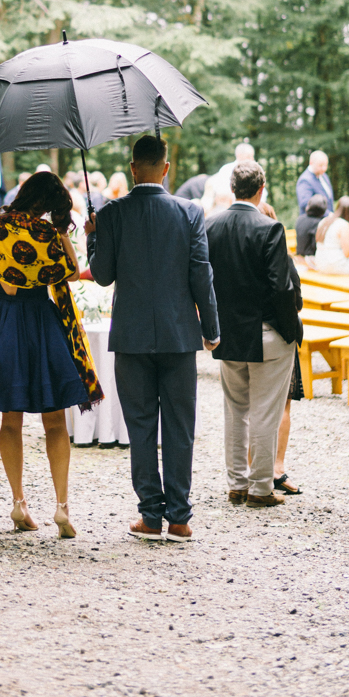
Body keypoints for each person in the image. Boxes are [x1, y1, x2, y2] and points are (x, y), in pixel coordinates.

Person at [0, 172, 103, 538]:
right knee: (55, 423)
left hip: (4, 323)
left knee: (10, 420)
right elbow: (71, 273)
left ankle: (19, 502)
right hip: (43, 323)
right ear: (48, 204)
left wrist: (0, 277)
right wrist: (68, 231)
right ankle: (62, 507)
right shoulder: (49, 235)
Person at [86, 135, 220, 542]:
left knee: (141, 425)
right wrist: (211, 329)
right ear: (165, 168)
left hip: (131, 336)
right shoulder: (189, 212)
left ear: (132, 167)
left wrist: (94, 234)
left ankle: (150, 516)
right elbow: (202, 273)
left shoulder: (112, 213)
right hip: (180, 336)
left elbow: (103, 274)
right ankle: (179, 517)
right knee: (180, 426)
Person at [206, 161, 301, 508]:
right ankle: (261, 488)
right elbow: (281, 287)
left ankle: (236, 484)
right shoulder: (270, 228)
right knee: (264, 411)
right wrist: (291, 331)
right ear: (261, 189)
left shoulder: (210, 224)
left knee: (235, 411)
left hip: (228, 333)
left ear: (234, 188)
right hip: (267, 333)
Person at [261, 202, 304, 496]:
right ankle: (275, 467)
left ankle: (255, 468)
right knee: (282, 405)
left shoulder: (242, 255)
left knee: (251, 407)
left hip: (247, 335)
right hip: (279, 333)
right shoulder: (282, 257)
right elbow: (296, 300)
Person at [314, 196, 349, 275]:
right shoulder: (344, 224)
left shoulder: (324, 221)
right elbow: (347, 253)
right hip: (334, 265)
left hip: (319, 262)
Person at [296, 150, 335, 215]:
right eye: (320, 165)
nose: (324, 168)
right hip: (314, 222)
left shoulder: (324, 176)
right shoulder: (304, 180)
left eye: (326, 165)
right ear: (311, 163)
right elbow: (306, 204)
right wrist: (329, 215)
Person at [294, 194, 327, 258]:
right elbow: (316, 245)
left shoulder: (300, 219)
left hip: (299, 256)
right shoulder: (318, 223)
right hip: (311, 258)